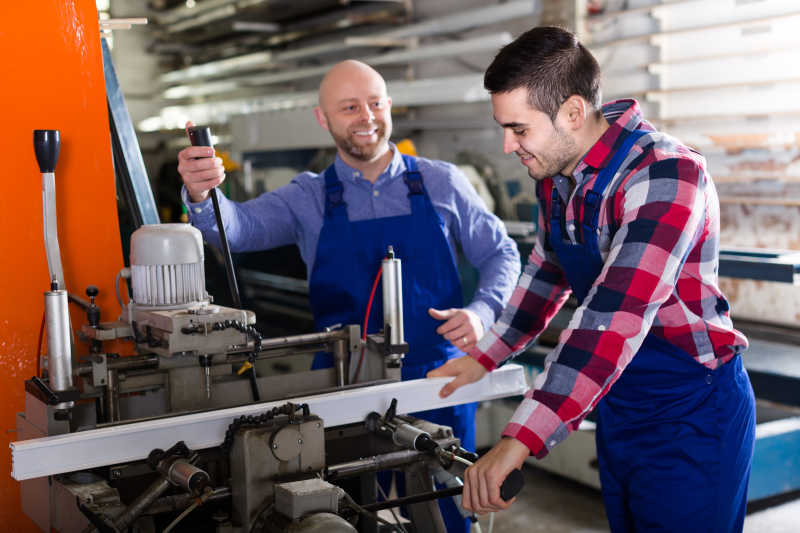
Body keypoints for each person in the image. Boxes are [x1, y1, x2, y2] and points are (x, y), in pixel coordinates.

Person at [429, 26, 756, 533]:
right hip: (620, 403)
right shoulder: (558, 176)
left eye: (518, 129)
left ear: (574, 113)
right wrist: (483, 357)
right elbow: (546, 270)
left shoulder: (665, 175)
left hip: (692, 410)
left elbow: (611, 320)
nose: (506, 145)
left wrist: (518, 439)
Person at [177, 59, 521, 532]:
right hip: (342, 385)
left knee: (446, 509)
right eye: (349, 106)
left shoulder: (441, 181)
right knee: (346, 512)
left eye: (375, 103)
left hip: (437, 379)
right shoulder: (308, 196)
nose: (366, 116)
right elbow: (235, 229)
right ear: (324, 119)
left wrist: (483, 313)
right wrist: (201, 195)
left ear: (390, 107)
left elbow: (502, 253)